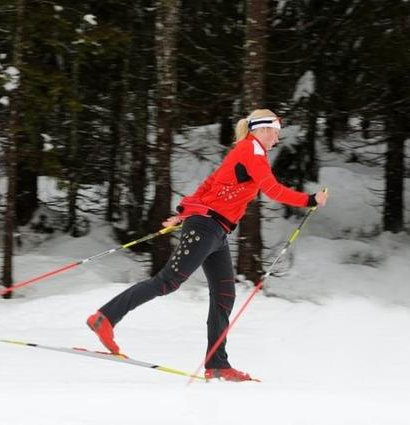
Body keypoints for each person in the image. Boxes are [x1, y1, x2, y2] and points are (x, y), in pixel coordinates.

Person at [86, 109, 328, 381]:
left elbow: (210, 184)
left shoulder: (244, 151)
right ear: (261, 130)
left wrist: (182, 214)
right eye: (275, 131)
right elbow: (271, 190)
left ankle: (217, 363)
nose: (277, 138)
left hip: (216, 232)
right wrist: (309, 200)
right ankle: (104, 317)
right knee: (168, 281)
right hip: (206, 228)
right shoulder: (252, 151)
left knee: (225, 294)